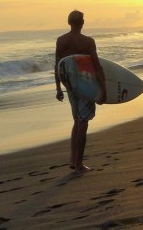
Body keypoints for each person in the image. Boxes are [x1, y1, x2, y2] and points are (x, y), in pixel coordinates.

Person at [55, 10, 106, 173]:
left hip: (70, 85)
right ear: (82, 23)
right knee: (83, 123)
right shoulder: (88, 42)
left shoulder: (61, 41)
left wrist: (58, 88)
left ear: (68, 22)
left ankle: (73, 159)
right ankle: (79, 164)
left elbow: (58, 66)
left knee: (77, 120)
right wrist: (103, 89)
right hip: (86, 84)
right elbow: (97, 66)